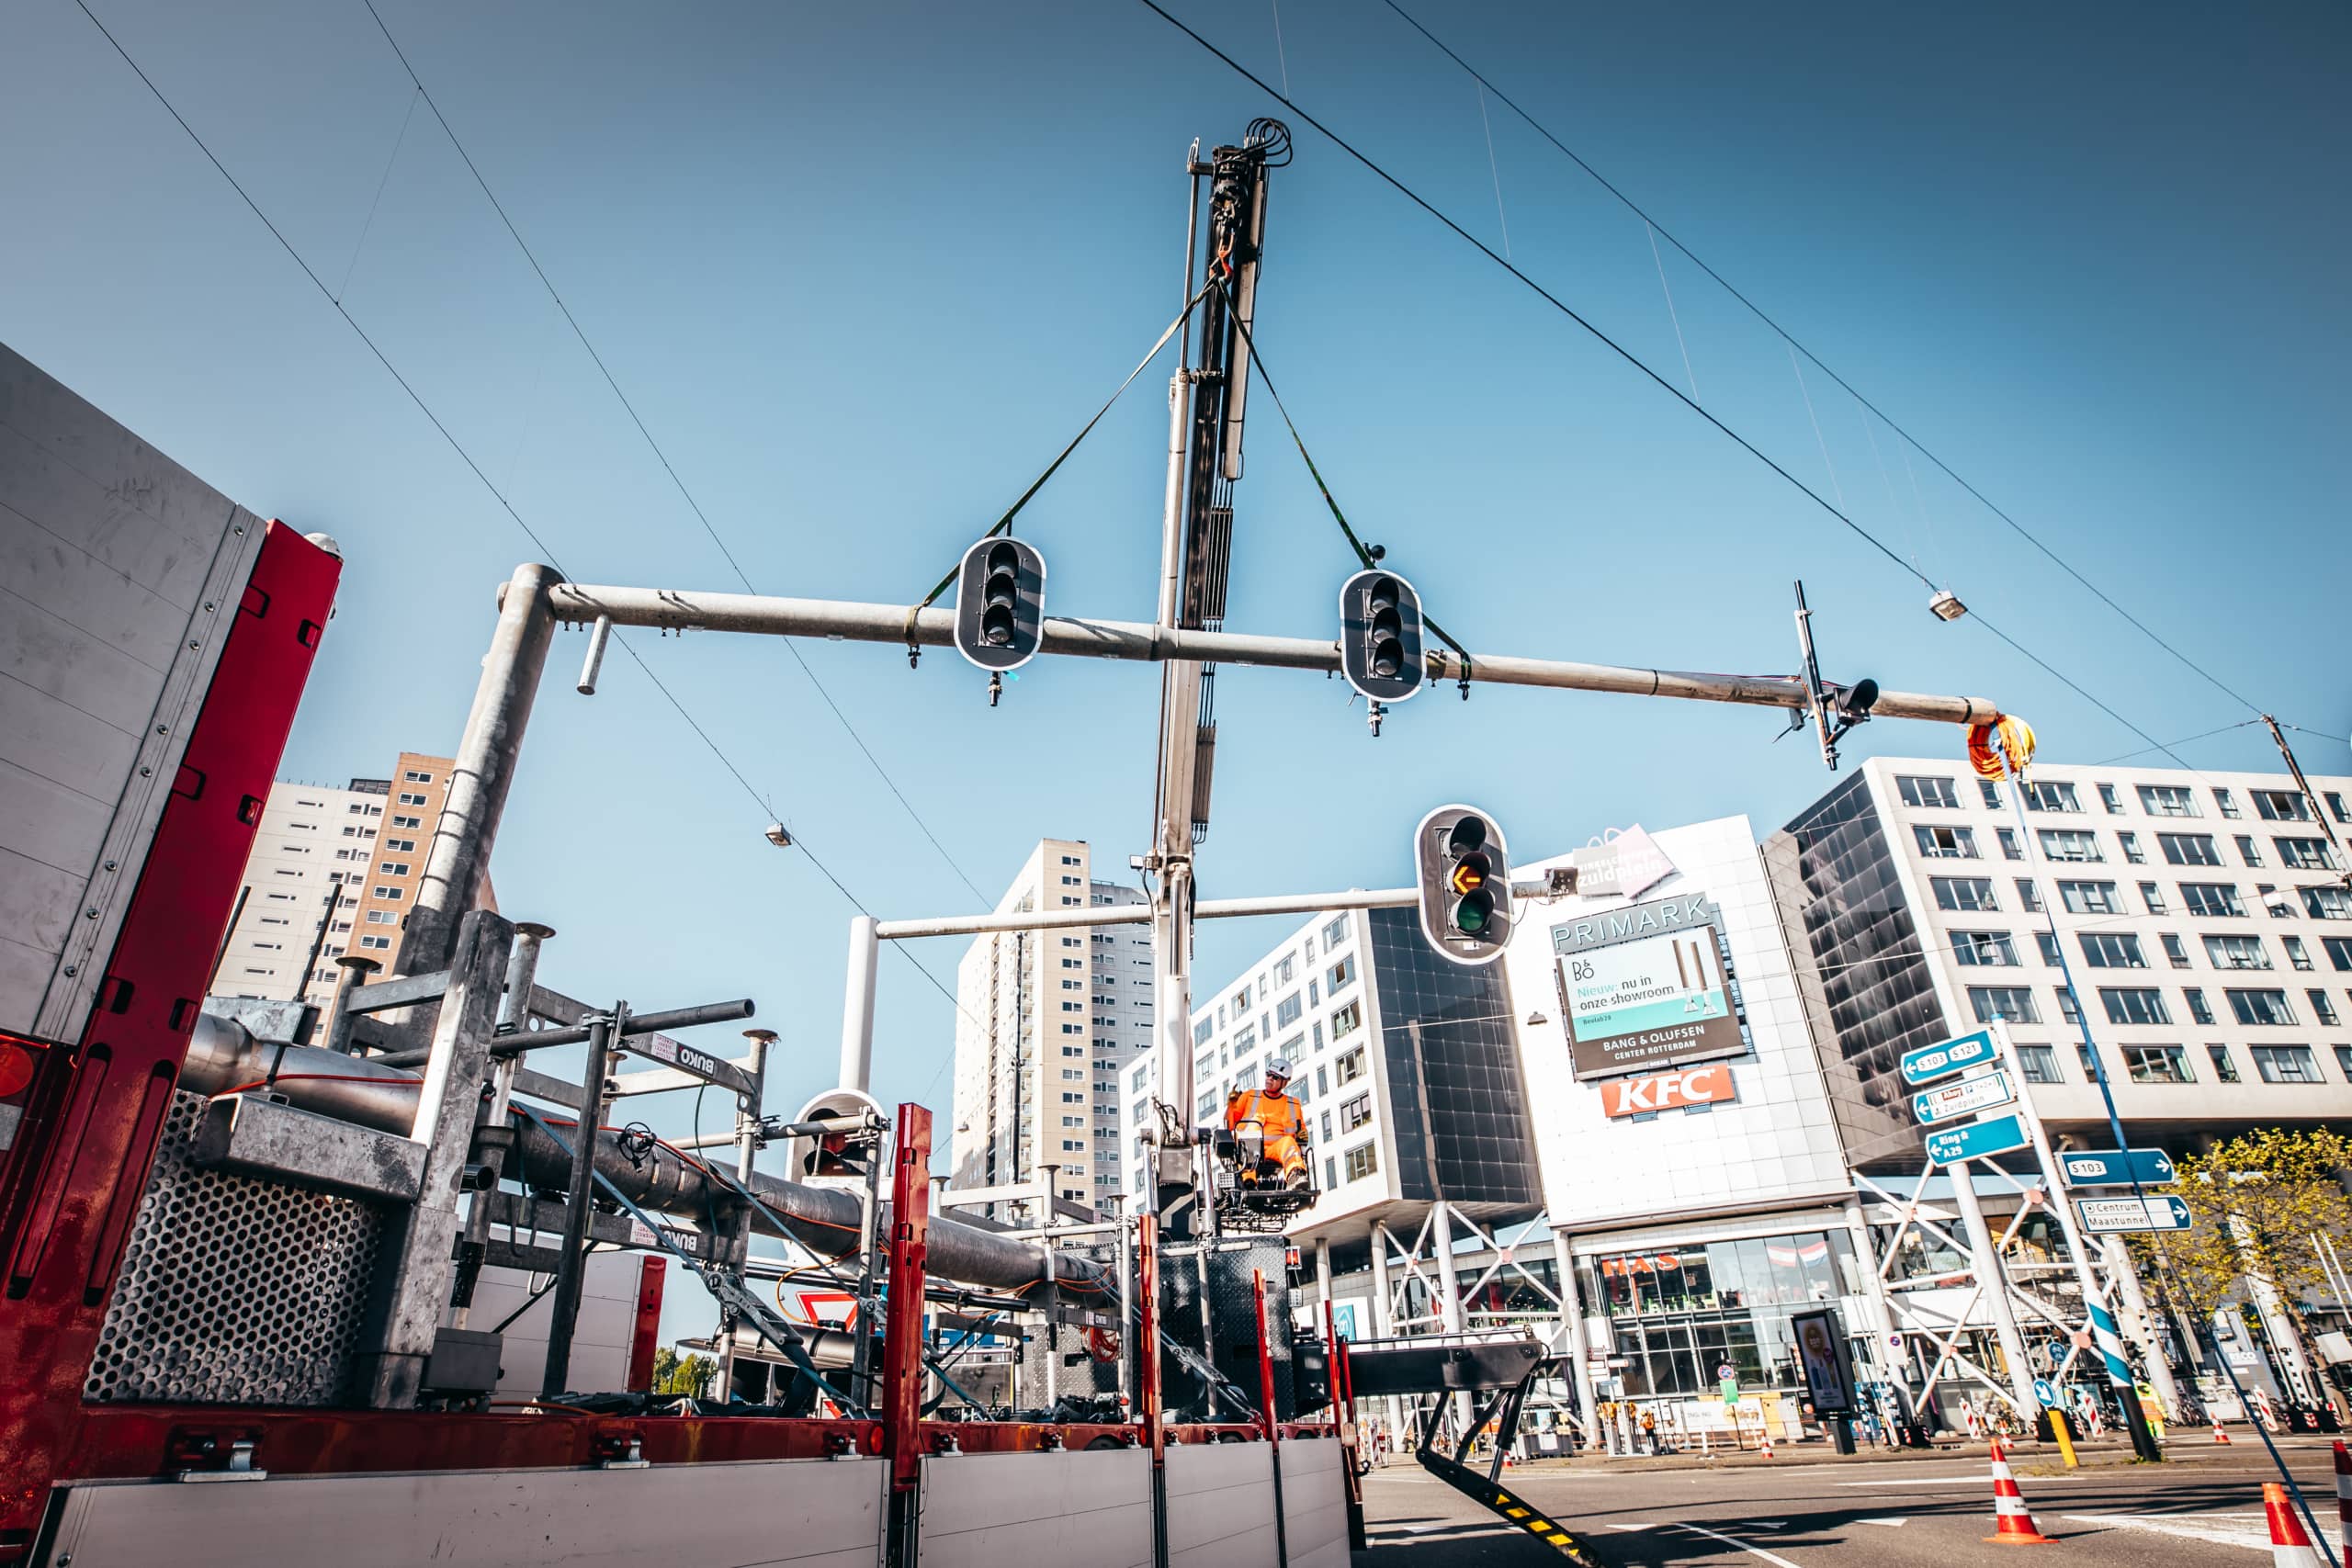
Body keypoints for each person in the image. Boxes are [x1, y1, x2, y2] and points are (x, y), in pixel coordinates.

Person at [1226, 1058, 1309, 1188]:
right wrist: (1231, 1104)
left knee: (1288, 1142)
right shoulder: (1250, 1096)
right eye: (1268, 1074)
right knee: (1250, 1140)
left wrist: (1303, 1135)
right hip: (1249, 1149)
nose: (1269, 1079)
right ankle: (1248, 1182)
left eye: (1275, 1077)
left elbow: (1301, 1131)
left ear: (1284, 1082)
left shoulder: (1293, 1104)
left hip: (1276, 1150)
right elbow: (1230, 1125)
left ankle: (1295, 1175)